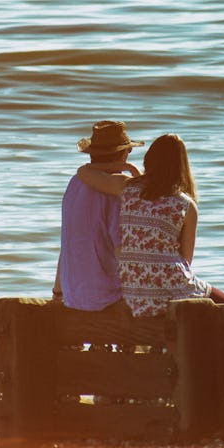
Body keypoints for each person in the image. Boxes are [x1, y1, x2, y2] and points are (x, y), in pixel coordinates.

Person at [76, 133, 224, 317]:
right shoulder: (186, 205)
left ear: (149, 160)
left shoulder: (127, 188)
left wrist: (126, 167)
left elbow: (84, 171)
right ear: (182, 166)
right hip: (171, 290)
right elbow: (186, 262)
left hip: (135, 293)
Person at [53, 120, 144, 311]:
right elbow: (122, 251)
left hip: (72, 296)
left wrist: (58, 292)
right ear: (122, 155)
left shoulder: (74, 184)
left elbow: (66, 243)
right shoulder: (116, 189)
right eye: (128, 151)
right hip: (105, 298)